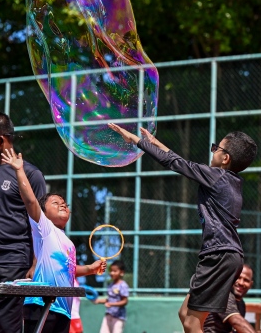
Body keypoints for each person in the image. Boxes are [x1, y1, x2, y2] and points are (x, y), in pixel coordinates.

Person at [108, 123, 257, 333]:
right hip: (225, 255)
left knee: (191, 322)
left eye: (217, 148)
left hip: (219, 255)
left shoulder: (217, 177)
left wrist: (135, 140)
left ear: (225, 159)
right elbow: (180, 161)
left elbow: (175, 163)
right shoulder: (232, 181)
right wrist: (155, 142)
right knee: (184, 313)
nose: (212, 151)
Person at [1, 148, 106, 333]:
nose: (62, 204)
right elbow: (31, 202)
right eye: (55, 203)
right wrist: (19, 171)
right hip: (41, 305)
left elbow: (69, 269)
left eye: (64, 203)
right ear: (44, 213)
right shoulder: (44, 228)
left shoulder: (68, 243)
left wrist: (90, 269)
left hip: (63, 309)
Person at [0, 112, 47, 333]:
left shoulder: (30, 174)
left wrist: (36, 261)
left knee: (6, 324)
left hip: (12, 259)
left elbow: (40, 223)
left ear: (1, 139)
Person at [202, 264, 255, 332]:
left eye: (246, 280)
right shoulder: (223, 295)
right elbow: (236, 322)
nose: (241, 283)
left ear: (250, 285)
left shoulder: (241, 304)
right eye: (238, 278)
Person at [95, 260, 129, 333]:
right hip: (108, 315)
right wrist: (98, 300)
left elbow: (125, 301)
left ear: (122, 273)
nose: (111, 273)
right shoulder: (111, 285)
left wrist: (111, 304)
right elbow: (109, 299)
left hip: (118, 317)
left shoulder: (123, 285)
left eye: (115, 271)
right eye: (111, 271)